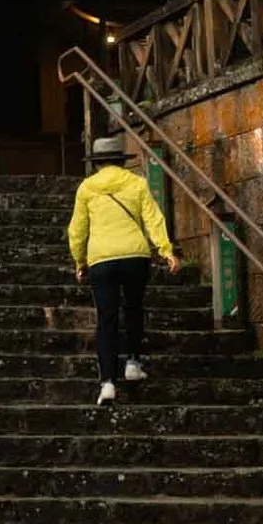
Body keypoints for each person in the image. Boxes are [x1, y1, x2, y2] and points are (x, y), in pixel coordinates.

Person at [68, 133, 180, 404]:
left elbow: (77, 229)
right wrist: (166, 250)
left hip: (101, 260)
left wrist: (79, 260)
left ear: (96, 163)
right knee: (133, 308)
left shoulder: (87, 188)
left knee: (106, 318)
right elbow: (153, 218)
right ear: (121, 161)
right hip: (134, 255)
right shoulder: (136, 183)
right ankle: (132, 363)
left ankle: (107, 382)